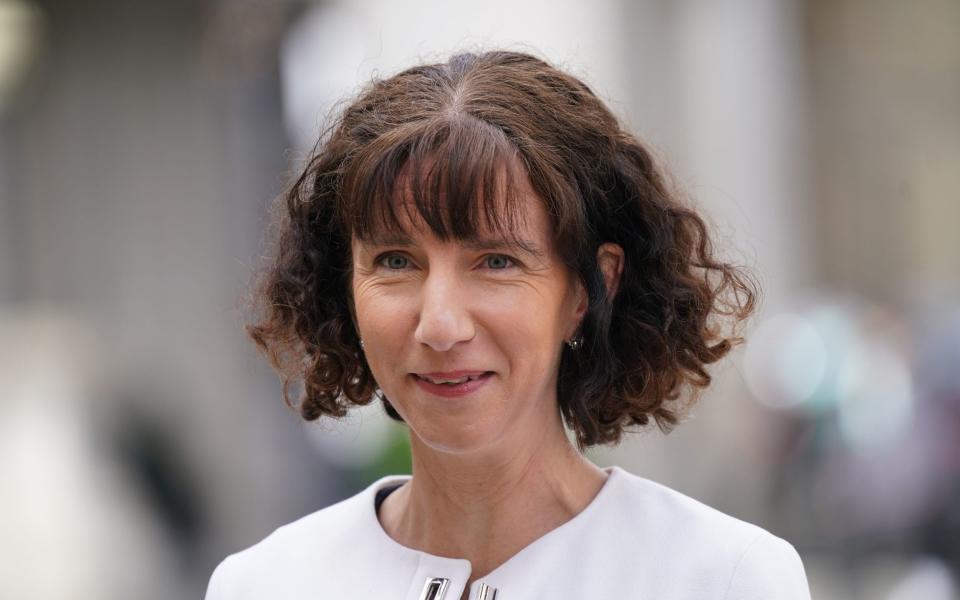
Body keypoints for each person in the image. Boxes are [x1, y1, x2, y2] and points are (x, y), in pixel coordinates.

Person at [205, 50, 811, 599]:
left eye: (497, 262)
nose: (440, 326)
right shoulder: (265, 584)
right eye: (395, 262)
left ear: (589, 287)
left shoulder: (721, 579)